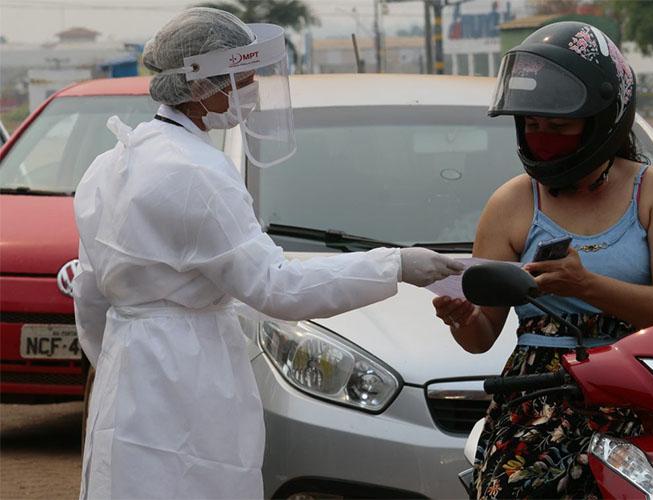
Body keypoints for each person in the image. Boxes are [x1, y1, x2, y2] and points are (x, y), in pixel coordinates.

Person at [72, 8, 462, 500]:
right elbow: (275, 287)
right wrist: (396, 264)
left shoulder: (109, 165)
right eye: (244, 79)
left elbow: (89, 299)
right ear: (199, 87)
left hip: (125, 377)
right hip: (189, 375)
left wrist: (123, 359)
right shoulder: (199, 172)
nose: (251, 92)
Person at [432, 22, 653, 499]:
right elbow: (481, 336)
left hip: (639, 386)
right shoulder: (511, 203)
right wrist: (462, 317)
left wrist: (585, 286)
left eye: (558, 126)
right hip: (539, 400)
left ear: (601, 123)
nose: (542, 138)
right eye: (532, 125)